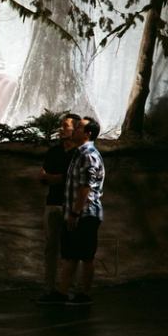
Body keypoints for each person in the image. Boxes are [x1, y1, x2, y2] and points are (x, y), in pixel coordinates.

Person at [56, 117, 107, 305]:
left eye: (79, 128)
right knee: (70, 254)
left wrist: (75, 213)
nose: (74, 130)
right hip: (76, 213)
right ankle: (61, 293)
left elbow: (86, 187)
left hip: (85, 214)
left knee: (85, 255)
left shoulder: (88, 155)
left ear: (88, 133)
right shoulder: (79, 153)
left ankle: (83, 294)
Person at [36, 113, 79, 302]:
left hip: (70, 205)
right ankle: (49, 288)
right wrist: (56, 178)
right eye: (62, 126)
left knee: (70, 249)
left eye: (66, 126)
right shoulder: (53, 151)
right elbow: (44, 177)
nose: (61, 130)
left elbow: (71, 179)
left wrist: (56, 178)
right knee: (50, 248)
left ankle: (68, 288)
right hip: (52, 203)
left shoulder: (79, 154)